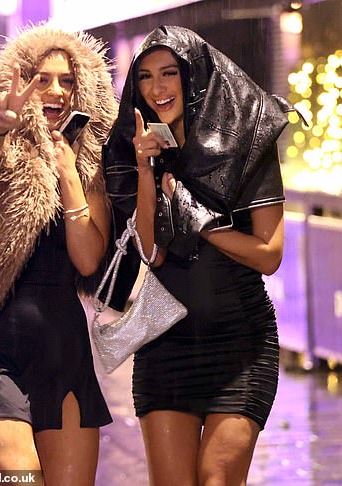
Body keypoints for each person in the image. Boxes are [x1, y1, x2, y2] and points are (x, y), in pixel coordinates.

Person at [102, 25, 297, 485]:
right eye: (146, 76)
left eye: (170, 73)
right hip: (166, 348)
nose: (158, 87)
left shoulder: (249, 144)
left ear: (196, 77)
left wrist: (202, 222)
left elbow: (269, 255)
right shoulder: (138, 150)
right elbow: (151, 253)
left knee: (217, 479)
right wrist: (147, 171)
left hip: (240, 347)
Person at [0, 26, 118, 485]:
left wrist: (70, 175)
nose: (55, 91)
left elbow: (89, 261)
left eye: (67, 81)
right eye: (41, 78)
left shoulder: (88, 163)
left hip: (65, 352)